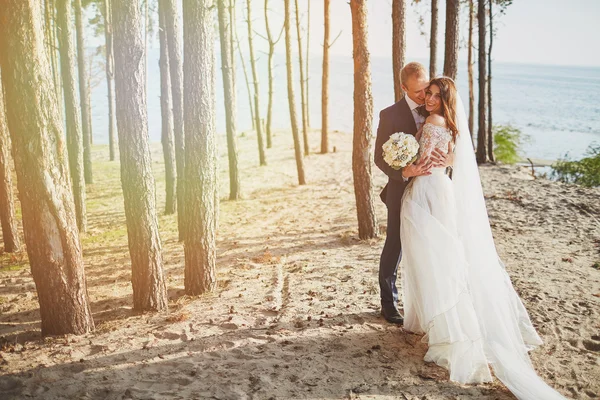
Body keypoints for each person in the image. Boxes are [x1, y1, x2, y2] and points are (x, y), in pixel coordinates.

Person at [400, 77, 567, 399]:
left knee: (434, 259)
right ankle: (442, 325)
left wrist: (405, 165)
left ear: (445, 100)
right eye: (429, 93)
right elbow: (450, 158)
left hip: (427, 192)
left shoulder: (433, 121)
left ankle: (449, 332)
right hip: (440, 189)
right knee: (444, 256)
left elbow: (424, 161)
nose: (431, 99)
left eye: (436, 95)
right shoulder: (448, 124)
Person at [374, 62, 451, 324]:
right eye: (419, 92)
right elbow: (379, 158)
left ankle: (428, 305)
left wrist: (449, 159)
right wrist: (405, 171)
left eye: (428, 90)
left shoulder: (440, 110)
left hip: (431, 191)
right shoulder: (389, 114)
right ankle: (389, 304)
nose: (425, 97)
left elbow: (455, 145)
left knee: (432, 247)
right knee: (394, 245)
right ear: (403, 87)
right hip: (400, 190)